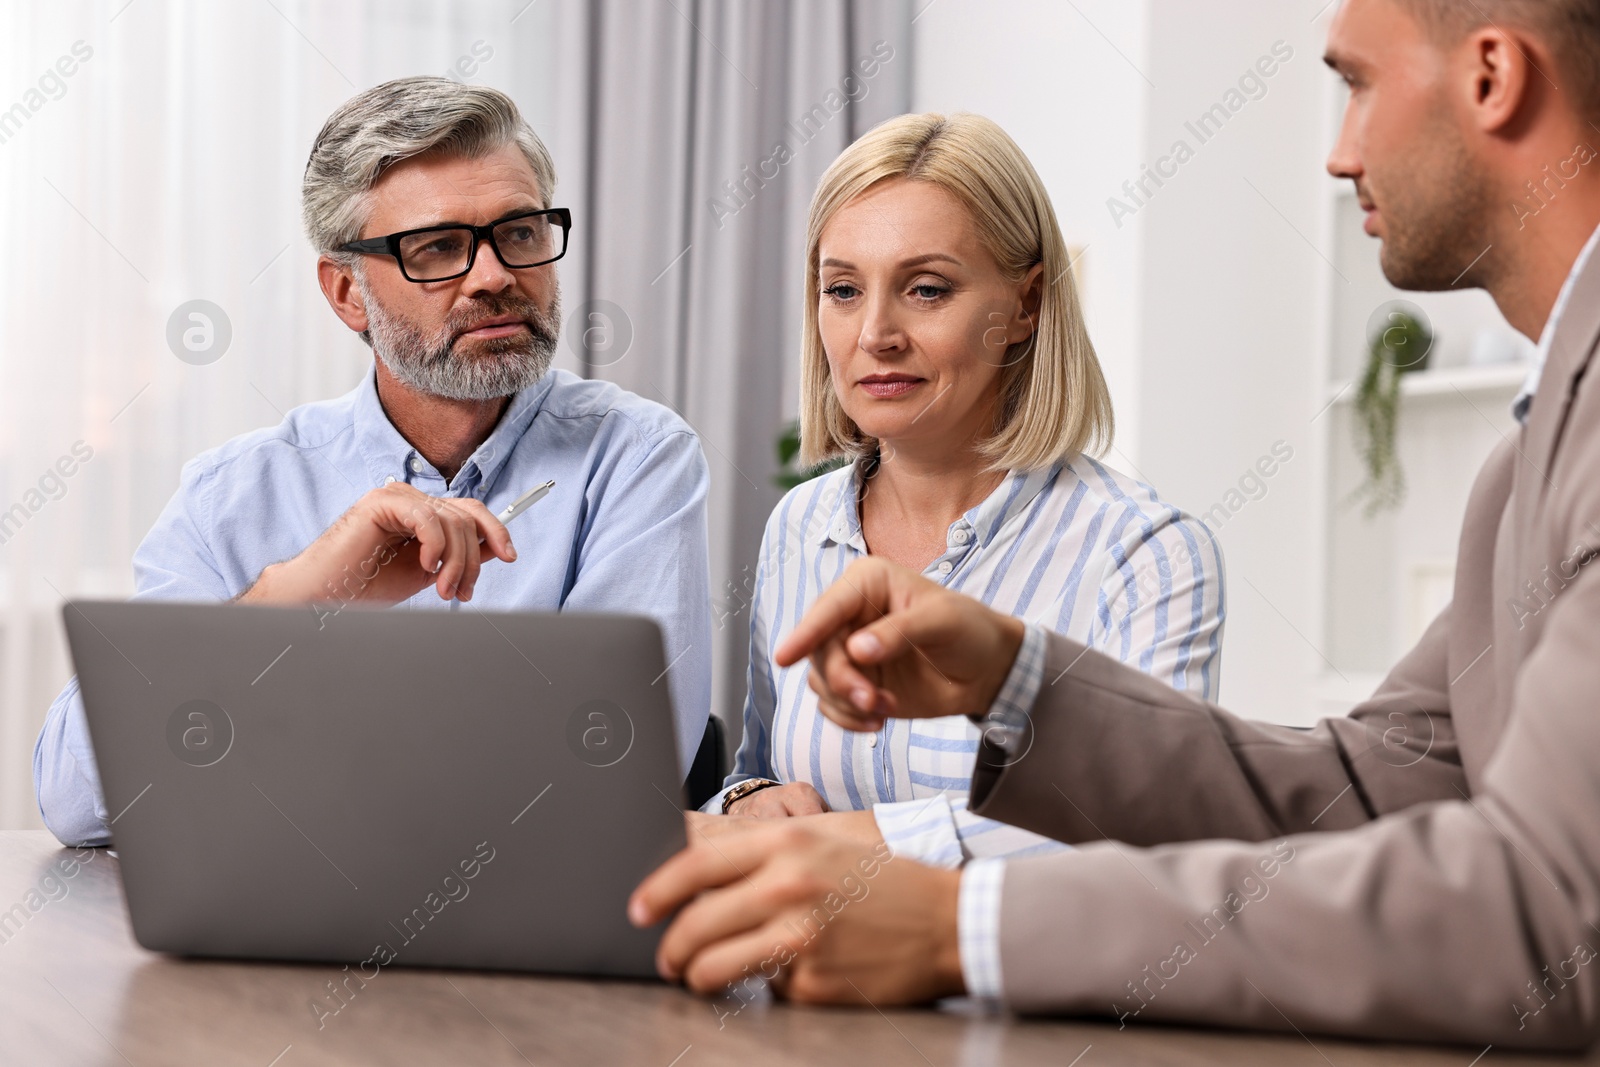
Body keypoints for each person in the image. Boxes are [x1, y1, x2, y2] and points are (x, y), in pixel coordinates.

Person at [631, 0, 1600, 1049]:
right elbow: (1364, 789)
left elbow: (1549, 912)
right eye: (841, 289)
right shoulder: (1527, 455)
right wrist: (1018, 679)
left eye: (1356, 83)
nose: (1334, 151)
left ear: (1493, 76)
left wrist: (964, 921)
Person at [35, 77, 712, 847]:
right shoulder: (232, 496)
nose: (494, 276)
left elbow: (618, 771)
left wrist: (271, 753)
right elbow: (74, 800)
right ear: (347, 294)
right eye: (439, 248)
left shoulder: (634, 458)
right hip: (271, 939)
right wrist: (296, 600)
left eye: (520, 232)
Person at [701, 113, 1225, 869]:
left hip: (1023, 986)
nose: (875, 331)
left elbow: (1149, 828)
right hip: (804, 983)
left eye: (926, 288)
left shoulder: (1148, 556)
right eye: (843, 289)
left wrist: (840, 843)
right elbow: (760, 771)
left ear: (1027, 306)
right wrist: (746, 802)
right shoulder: (799, 525)